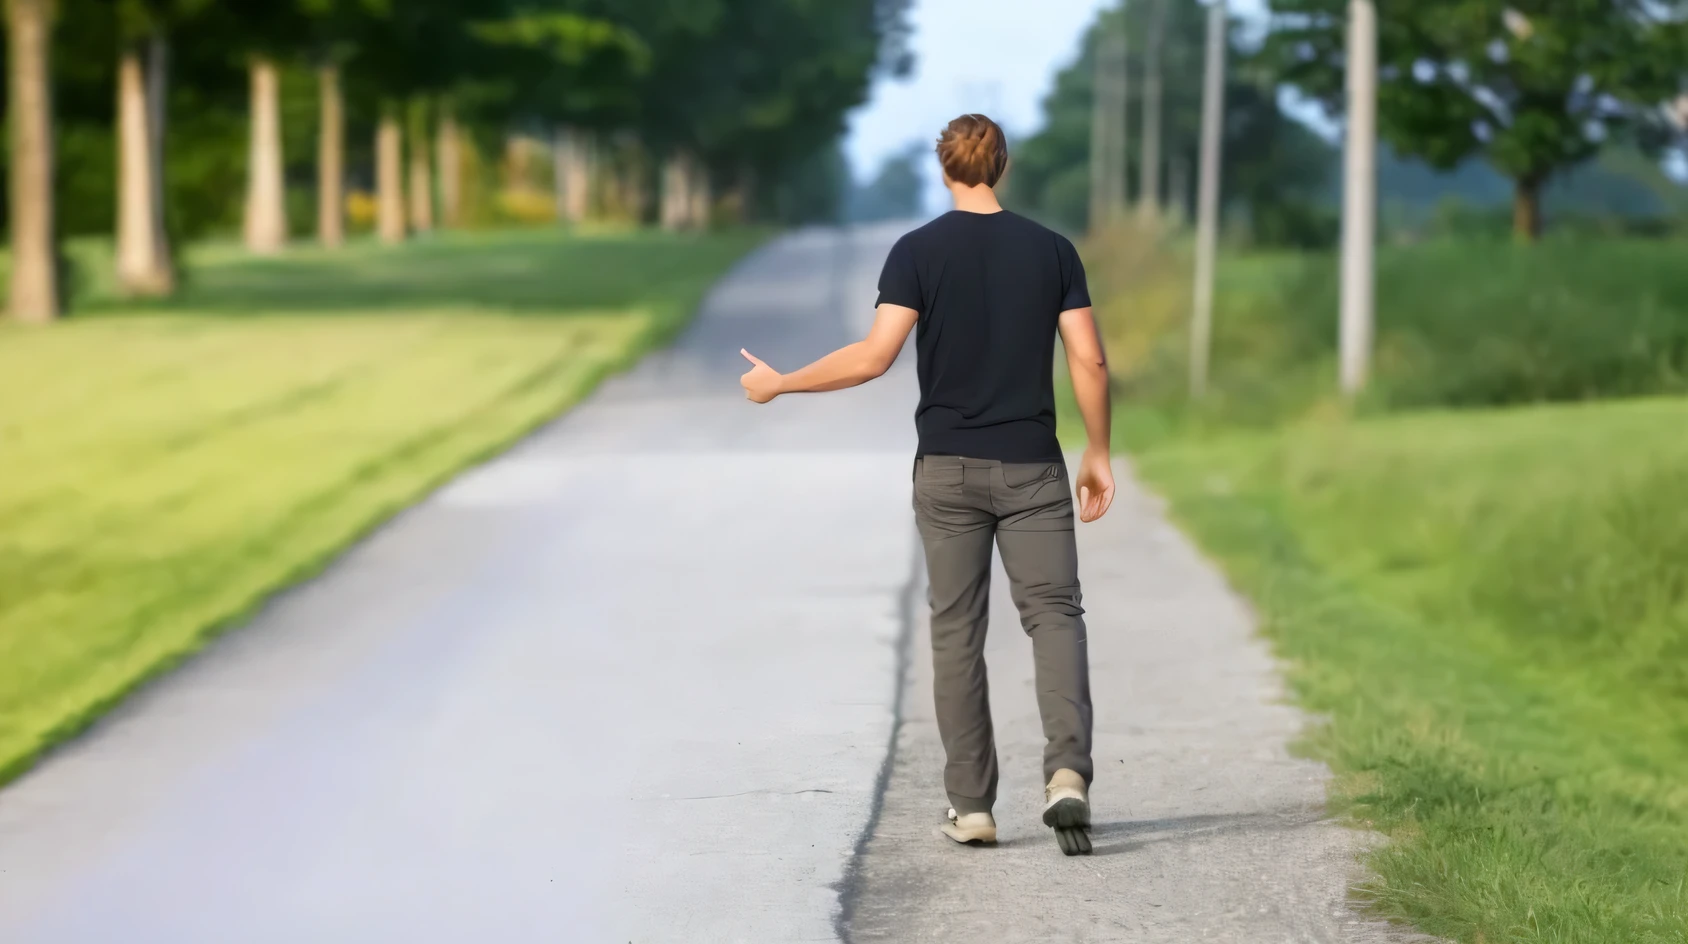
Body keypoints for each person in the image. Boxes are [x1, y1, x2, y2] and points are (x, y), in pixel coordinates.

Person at [738, 113, 1114, 857]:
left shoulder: (917, 252)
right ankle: (1067, 773)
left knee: (956, 633)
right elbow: (1090, 361)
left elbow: (874, 357)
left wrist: (781, 383)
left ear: (944, 170)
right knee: (1055, 618)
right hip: (1033, 465)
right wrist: (1098, 451)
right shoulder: (1052, 251)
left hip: (946, 471)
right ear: (1000, 166)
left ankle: (972, 807)